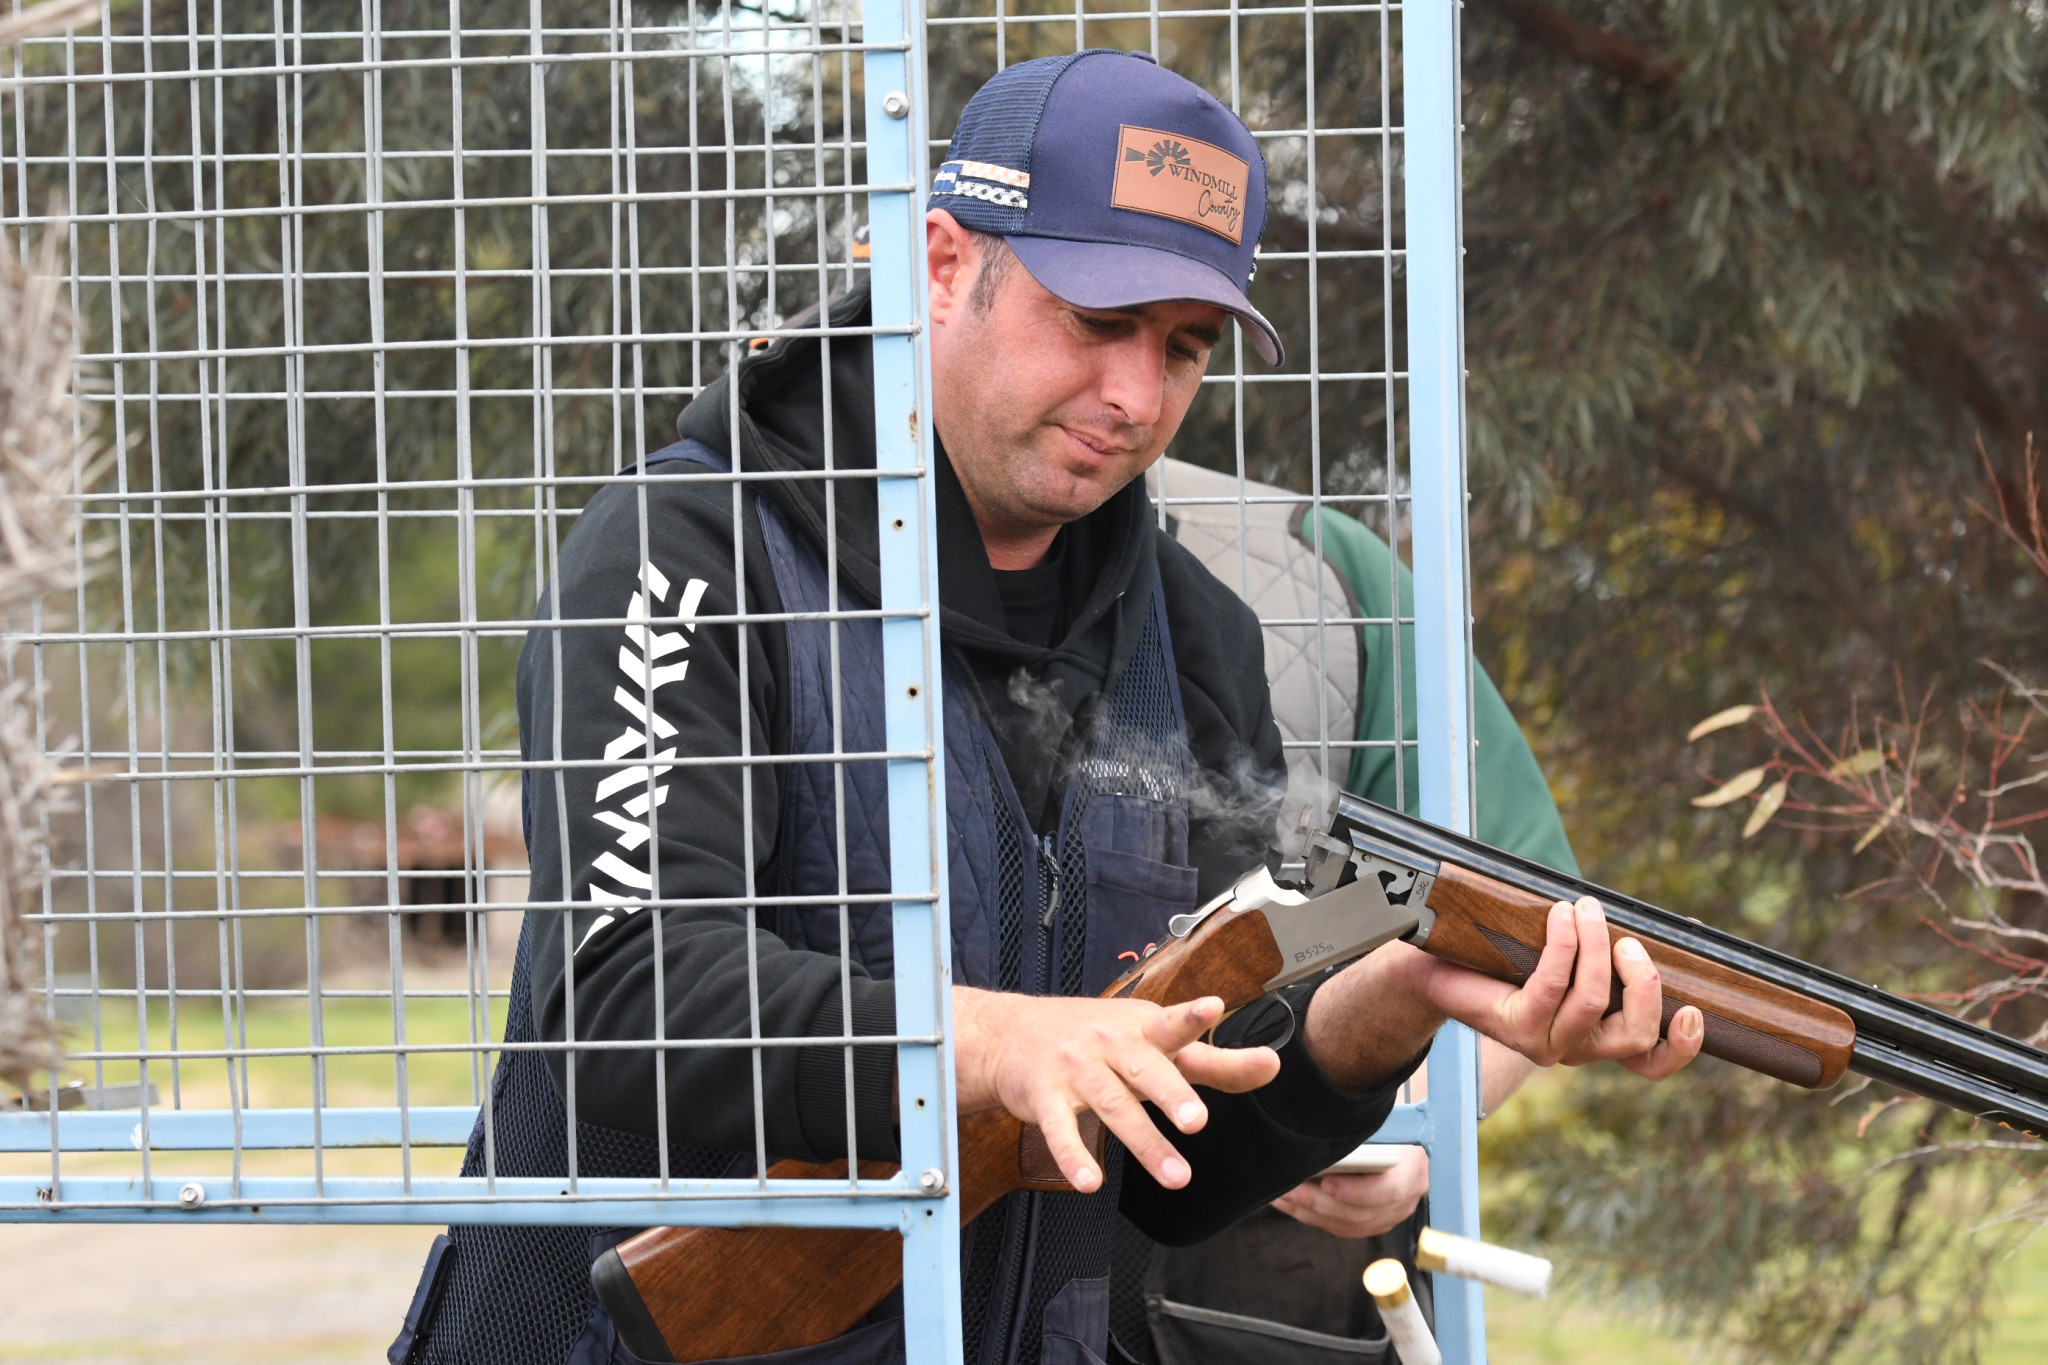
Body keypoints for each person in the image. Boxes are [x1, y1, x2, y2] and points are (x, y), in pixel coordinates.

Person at [391, 49, 1703, 1365]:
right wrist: (988, 1037)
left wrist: (1394, 1007)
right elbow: (624, 993)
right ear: (944, 262)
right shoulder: (695, 547)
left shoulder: (1193, 640)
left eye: (1183, 347)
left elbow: (1181, 1156)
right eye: (1095, 320)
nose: (1136, 397)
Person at [1119, 460, 1582, 1361]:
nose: (1135, 389)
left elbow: (1526, 918)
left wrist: (1414, 1121)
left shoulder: (1315, 566)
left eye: (1185, 342)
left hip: (1287, 1279)